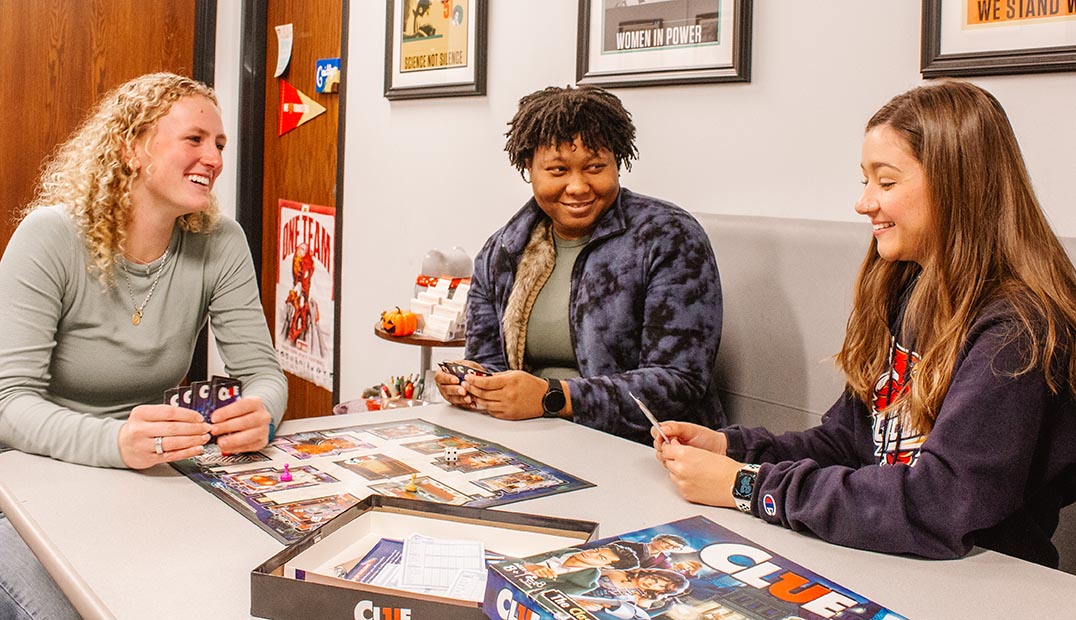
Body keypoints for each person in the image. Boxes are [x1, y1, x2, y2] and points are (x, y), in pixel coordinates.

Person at [653, 80, 1076, 568]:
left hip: (981, 578)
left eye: (887, 182)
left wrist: (744, 486)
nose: (864, 202)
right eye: (865, 181)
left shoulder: (1018, 329)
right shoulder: (909, 287)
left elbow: (937, 505)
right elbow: (849, 442)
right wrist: (731, 446)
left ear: (958, 185)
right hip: (886, 558)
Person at [0, 73, 287, 618]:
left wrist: (263, 412)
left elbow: (264, 374)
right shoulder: (50, 236)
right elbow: (6, 403)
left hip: (149, 476)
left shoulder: (221, 241)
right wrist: (116, 444)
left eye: (220, 144)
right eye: (195, 139)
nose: (215, 158)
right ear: (133, 147)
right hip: (24, 480)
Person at [434, 85, 724, 444]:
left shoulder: (668, 237)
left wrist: (553, 397)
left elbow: (679, 381)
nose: (577, 186)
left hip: (646, 449)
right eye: (557, 170)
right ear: (529, 167)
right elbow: (489, 362)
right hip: (529, 445)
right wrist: (472, 382)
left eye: (595, 167)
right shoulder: (503, 251)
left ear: (618, 161)